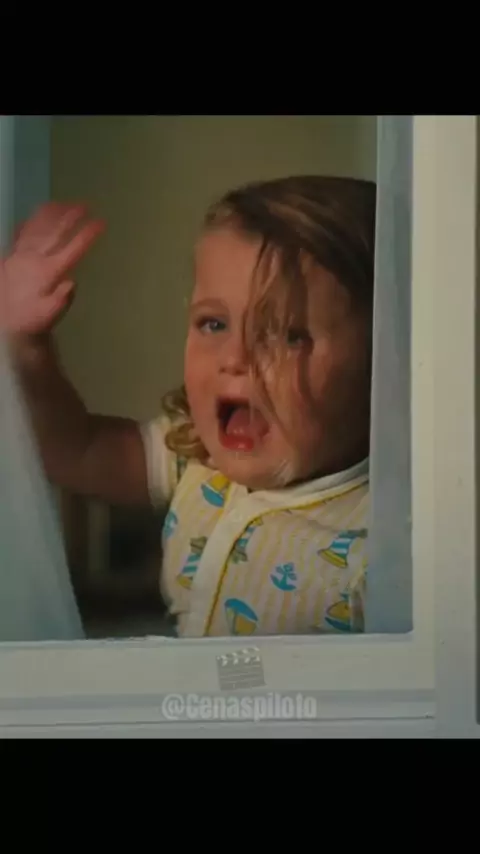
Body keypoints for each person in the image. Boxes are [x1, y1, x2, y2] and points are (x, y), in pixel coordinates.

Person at [0, 175, 375, 637]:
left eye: (287, 335)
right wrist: (25, 347)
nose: (234, 358)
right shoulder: (197, 455)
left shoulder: (380, 546)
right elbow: (76, 449)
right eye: (214, 323)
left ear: (381, 362)